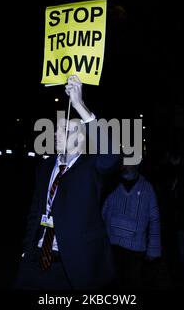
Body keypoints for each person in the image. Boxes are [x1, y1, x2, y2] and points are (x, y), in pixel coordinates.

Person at [14, 75, 122, 290]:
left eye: (65, 130)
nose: (55, 134)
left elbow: (112, 155)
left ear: (81, 138)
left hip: (72, 268)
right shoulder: (45, 166)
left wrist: (80, 105)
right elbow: (36, 210)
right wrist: (27, 248)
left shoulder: (92, 167)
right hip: (35, 261)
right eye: (56, 129)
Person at [102, 163, 162, 289]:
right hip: (112, 247)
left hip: (135, 250)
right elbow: (102, 214)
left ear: (137, 164)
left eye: (129, 163)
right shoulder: (111, 185)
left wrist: (154, 249)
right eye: (122, 162)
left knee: (133, 284)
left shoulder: (147, 188)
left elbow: (154, 219)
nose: (124, 166)